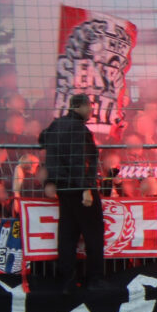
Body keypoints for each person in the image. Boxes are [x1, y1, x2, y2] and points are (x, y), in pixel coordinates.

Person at [39, 94, 104, 295]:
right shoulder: (79, 129)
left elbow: (43, 142)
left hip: (63, 188)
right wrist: (86, 188)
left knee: (67, 235)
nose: (91, 111)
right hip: (80, 187)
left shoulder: (57, 125)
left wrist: (51, 180)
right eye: (90, 107)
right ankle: (94, 280)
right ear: (82, 107)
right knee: (93, 234)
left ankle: (66, 281)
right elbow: (79, 159)